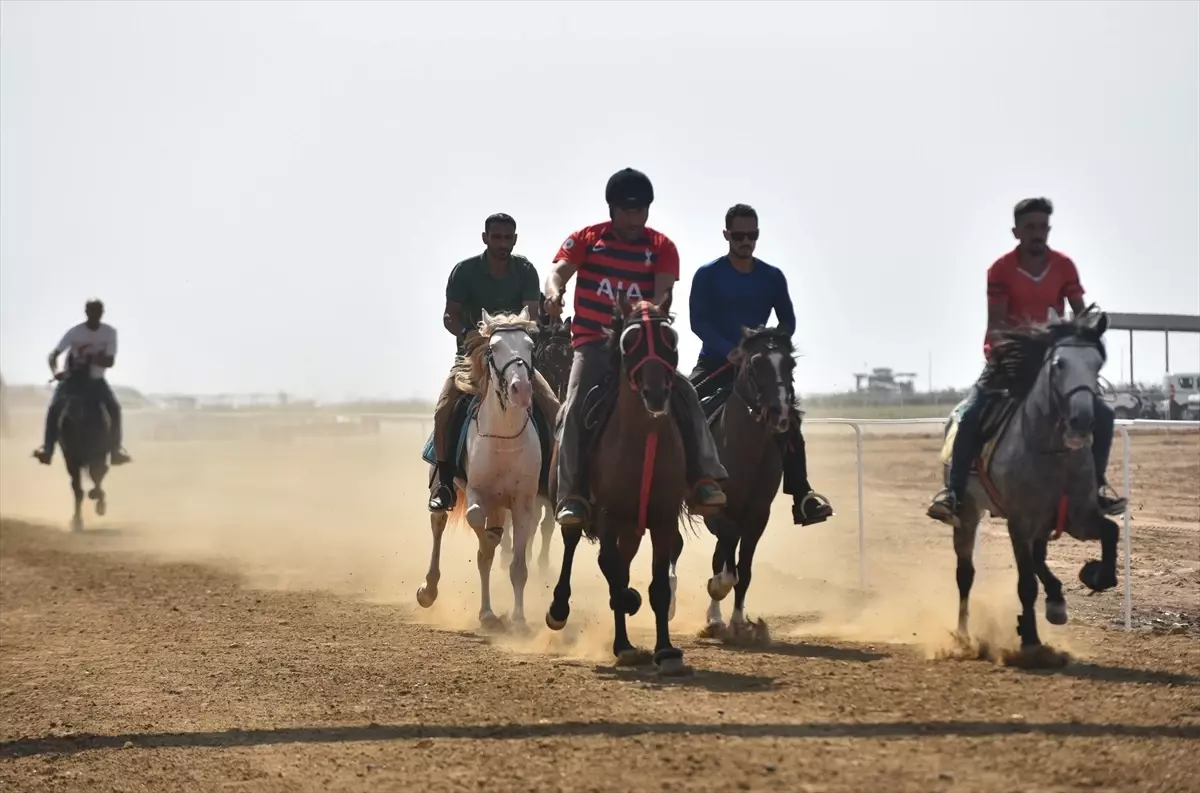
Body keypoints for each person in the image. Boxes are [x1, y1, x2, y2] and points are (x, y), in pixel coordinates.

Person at [544, 167, 728, 527]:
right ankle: (572, 495)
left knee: (687, 394)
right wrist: (554, 292)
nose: (635, 217)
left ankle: (706, 477)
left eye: (641, 210)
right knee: (573, 406)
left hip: (642, 346)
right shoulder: (587, 239)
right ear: (612, 209)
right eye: (627, 210)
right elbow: (559, 271)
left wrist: (647, 310)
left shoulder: (661, 247)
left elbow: (661, 293)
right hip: (593, 346)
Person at [926, 197, 1127, 525]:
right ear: (1016, 231)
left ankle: (1096, 488)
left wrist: (1086, 338)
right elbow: (998, 323)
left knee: (1102, 414)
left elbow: (1080, 315)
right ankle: (954, 491)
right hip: (1009, 361)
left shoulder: (1064, 266)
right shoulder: (1000, 269)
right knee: (972, 412)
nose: (1038, 233)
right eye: (1030, 227)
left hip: (1052, 365)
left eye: (1043, 227)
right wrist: (1003, 357)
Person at [688, 203, 834, 526]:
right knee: (684, 408)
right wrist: (729, 350)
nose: (745, 241)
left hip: (760, 370)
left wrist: (769, 349)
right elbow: (698, 322)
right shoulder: (707, 275)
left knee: (788, 416)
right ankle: (680, 486)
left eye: (751, 235)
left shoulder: (772, 277)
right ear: (726, 235)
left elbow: (788, 321)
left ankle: (803, 496)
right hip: (715, 362)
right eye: (739, 235)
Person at [429, 212, 560, 512]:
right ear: (485, 238)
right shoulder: (464, 272)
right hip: (471, 359)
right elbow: (451, 315)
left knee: (554, 407)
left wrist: (512, 337)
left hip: (515, 359)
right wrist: (469, 334)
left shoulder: (525, 270)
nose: (502, 243)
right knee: (443, 410)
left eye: (508, 238)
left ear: (515, 239)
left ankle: (555, 481)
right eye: (496, 237)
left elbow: (531, 313)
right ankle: (445, 483)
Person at [33, 298, 131, 466]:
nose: (95, 316)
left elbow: (110, 362)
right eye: (92, 312)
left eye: (98, 312)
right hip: (72, 381)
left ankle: (115, 450)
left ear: (102, 314)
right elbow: (53, 354)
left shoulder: (109, 333)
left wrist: (91, 358)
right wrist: (56, 372)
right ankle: (48, 449)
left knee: (114, 408)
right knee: (54, 408)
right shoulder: (75, 332)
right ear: (86, 313)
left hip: (95, 381)